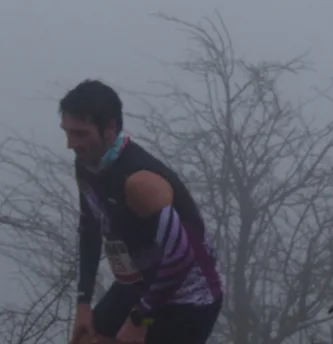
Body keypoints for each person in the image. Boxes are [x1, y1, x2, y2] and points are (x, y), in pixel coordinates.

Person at [63, 80, 223, 344]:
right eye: (67, 132)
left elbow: (181, 257)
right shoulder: (87, 166)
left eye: (80, 134)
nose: (71, 143)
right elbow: (89, 229)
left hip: (189, 296)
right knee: (85, 339)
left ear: (110, 127)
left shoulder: (140, 182)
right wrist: (83, 304)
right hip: (140, 283)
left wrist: (139, 320)